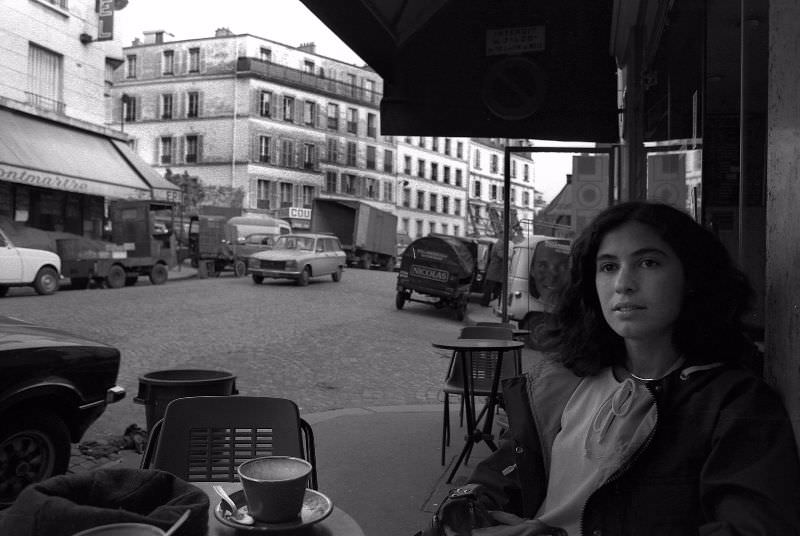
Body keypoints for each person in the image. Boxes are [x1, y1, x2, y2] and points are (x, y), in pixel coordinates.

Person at [422, 201, 800, 536]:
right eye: (608, 266)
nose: (623, 284)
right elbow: (507, 471)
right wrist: (470, 510)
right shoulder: (561, 382)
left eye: (648, 263)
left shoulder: (732, 404)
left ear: (692, 278)